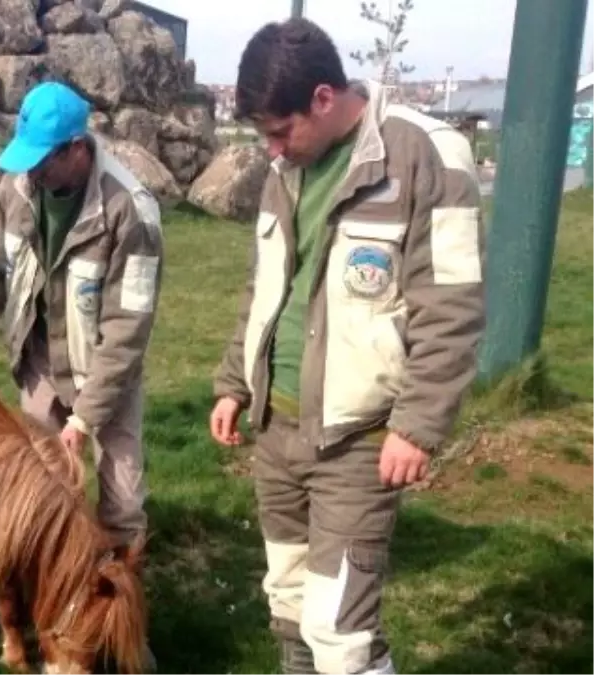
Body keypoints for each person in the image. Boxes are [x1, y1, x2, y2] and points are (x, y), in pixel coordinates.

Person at [208, 18, 486, 675]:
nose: (272, 150)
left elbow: (452, 305)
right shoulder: (289, 168)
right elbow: (267, 285)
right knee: (291, 602)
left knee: (341, 632)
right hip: (276, 428)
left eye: (280, 131)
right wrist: (233, 381)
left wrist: (417, 426)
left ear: (325, 99)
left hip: (357, 438)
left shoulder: (424, 156)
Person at [0, 80, 164, 669]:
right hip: (36, 366)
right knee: (40, 504)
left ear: (78, 147)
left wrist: (83, 419)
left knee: (121, 503)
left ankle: (126, 625)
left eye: (44, 159)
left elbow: (128, 328)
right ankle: (54, 609)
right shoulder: (17, 188)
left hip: (105, 374)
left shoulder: (132, 209)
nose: (33, 173)